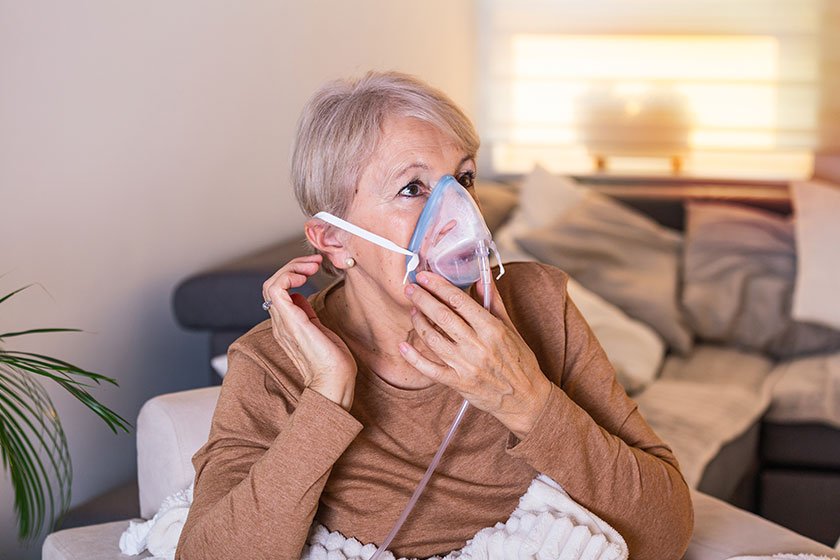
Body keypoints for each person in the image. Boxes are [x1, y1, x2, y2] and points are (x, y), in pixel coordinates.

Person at [175, 71, 693, 560]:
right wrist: (327, 393)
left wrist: (526, 401)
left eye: (463, 179)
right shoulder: (271, 362)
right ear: (334, 239)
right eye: (413, 188)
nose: (458, 212)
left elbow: (666, 531)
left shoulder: (536, 303)